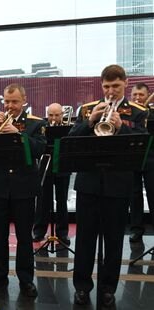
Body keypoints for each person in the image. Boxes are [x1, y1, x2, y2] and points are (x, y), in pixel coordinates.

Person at [69, 64, 148, 307]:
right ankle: (82, 287)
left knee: (114, 240)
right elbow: (72, 141)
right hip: (88, 184)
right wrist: (90, 122)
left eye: (115, 86)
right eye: (106, 86)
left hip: (118, 185)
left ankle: (108, 288)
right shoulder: (87, 109)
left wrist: (122, 127)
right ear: (101, 86)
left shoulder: (137, 111)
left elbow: (143, 145)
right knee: (84, 239)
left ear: (125, 83)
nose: (111, 91)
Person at [0, 83, 46, 298]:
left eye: (15, 102)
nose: (10, 106)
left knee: (23, 235)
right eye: (7, 101)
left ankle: (26, 278)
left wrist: (18, 136)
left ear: (24, 101)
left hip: (24, 187)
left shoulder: (35, 124)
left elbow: (40, 149)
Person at [32, 103, 71, 245]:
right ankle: (39, 231)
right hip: (45, 167)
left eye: (57, 115)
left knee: (62, 202)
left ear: (62, 115)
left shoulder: (68, 128)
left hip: (62, 167)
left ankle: (62, 233)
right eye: (50, 115)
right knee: (42, 201)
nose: (53, 118)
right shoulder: (41, 127)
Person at [129, 83, 154, 243]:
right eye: (135, 95)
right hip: (132, 159)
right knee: (134, 195)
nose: (137, 98)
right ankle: (136, 229)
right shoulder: (127, 113)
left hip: (151, 159)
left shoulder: (152, 114)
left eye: (141, 95)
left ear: (147, 95)